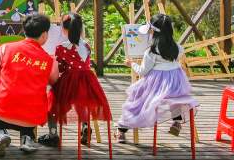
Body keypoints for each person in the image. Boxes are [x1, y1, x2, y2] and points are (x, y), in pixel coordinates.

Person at [0, 13, 59, 157]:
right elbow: (54, 80)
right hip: (32, 116)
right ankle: (27, 138)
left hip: (1, 111)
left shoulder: (6, 48)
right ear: (44, 35)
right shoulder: (49, 60)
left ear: (24, 31)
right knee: (30, 103)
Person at [117, 14, 198, 143]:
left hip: (156, 85)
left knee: (136, 100)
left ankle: (122, 129)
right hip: (176, 83)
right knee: (175, 98)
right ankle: (177, 121)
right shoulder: (177, 48)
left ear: (153, 32)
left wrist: (131, 63)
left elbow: (143, 72)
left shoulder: (152, 51)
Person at [37, 13, 111, 147]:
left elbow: (59, 68)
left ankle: (53, 134)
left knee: (52, 106)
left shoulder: (62, 48)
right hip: (87, 80)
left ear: (64, 29)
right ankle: (85, 126)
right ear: (80, 28)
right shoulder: (87, 46)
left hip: (69, 80)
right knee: (82, 103)